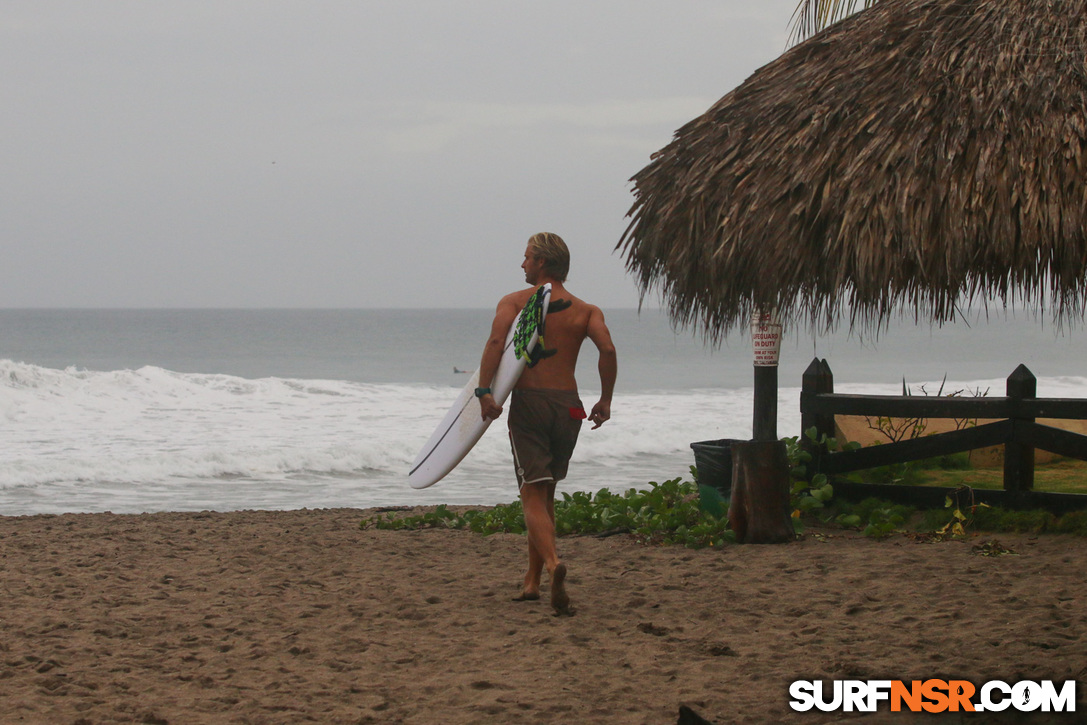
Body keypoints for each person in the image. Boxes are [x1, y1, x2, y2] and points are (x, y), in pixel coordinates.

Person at [475, 232, 617, 616]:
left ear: (541, 261)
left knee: (530, 493)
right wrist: (605, 400)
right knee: (546, 492)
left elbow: (494, 344)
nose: (522, 265)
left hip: (532, 405)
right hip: (570, 407)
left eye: (526, 258)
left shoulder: (516, 302)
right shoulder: (587, 310)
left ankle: (554, 565)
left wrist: (484, 392)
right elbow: (607, 349)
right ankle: (531, 582)